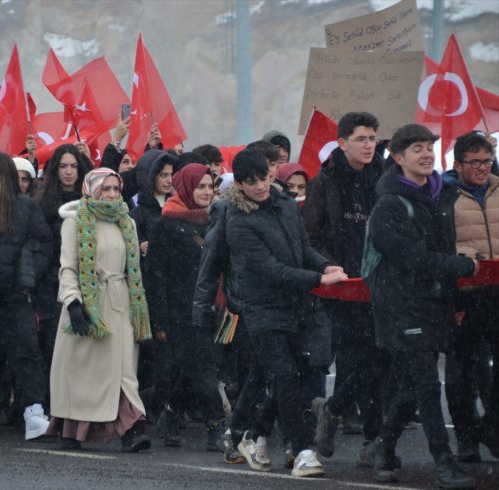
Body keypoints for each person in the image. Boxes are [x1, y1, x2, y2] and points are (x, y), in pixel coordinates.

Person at [193, 149, 348, 477]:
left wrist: (324, 264)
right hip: (259, 306)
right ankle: (301, 448)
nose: (261, 186)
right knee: (284, 375)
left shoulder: (285, 204)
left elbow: (301, 247)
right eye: (252, 182)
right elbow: (268, 269)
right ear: (240, 183)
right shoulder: (235, 217)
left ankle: (248, 435)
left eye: (264, 178)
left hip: (295, 304)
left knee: (273, 375)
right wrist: (318, 279)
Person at [367, 124, 477, 488]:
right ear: (398, 158)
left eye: (430, 147)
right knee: (428, 385)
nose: (427, 154)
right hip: (401, 305)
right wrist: (463, 266)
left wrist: (456, 297)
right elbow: (414, 259)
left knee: (413, 385)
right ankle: (445, 464)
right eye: (417, 148)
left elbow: (442, 250)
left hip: (434, 302)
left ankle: (383, 447)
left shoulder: (441, 195)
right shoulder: (388, 203)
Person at [302, 112, 387, 462]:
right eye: (361, 139)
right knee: (357, 359)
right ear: (342, 142)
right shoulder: (324, 182)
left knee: (380, 361)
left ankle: (335, 409)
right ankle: (373, 439)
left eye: (372, 139)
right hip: (344, 287)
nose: (368, 146)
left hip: (380, 283)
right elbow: (311, 237)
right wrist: (328, 266)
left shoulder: (384, 178)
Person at [47, 168, 152, 452]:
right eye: (106, 189)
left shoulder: (126, 222)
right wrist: (74, 303)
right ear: (91, 189)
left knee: (123, 372)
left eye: (116, 189)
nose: (112, 195)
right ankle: (72, 429)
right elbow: (68, 267)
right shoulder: (75, 221)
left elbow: (132, 270)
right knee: (85, 375)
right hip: (89, 303)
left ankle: (131, 429)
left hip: (121, 304)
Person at [145, 164, 227, 449]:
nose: (206, 192)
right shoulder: (166, 224)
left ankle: (169, 412)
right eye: (200, 186)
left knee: (190, 369)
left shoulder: (216, 219)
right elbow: (156, 276)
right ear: (185, 188)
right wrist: (159, 321)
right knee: (203, 368)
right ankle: (216, 426)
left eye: (210, 186)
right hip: (179, 312)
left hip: (210, 309)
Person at [0, 152, 52, 440]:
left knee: (26, 354)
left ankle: (34, 412)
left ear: (2, 173)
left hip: (15, 295)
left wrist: (27, 275)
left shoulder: (26, 207)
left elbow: (42, 243)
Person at [443, 131, 499, 462]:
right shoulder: (443, 196)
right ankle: (465, 437)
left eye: (486, 160)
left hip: (497, 294)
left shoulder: (497, 188)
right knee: (461, 370)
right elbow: (438, 246)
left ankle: (491, 427)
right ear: (458, 163)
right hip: (464, 295)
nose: (481, 167)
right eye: (474, 161)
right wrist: (465, 257)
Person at [34, 144, 90, 379]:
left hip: (88, 281)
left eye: (74, 166)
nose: (69, 171)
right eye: (63, 166)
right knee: (55, 346)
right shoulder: (42, 203)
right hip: (52, 284)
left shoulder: (91, 202)